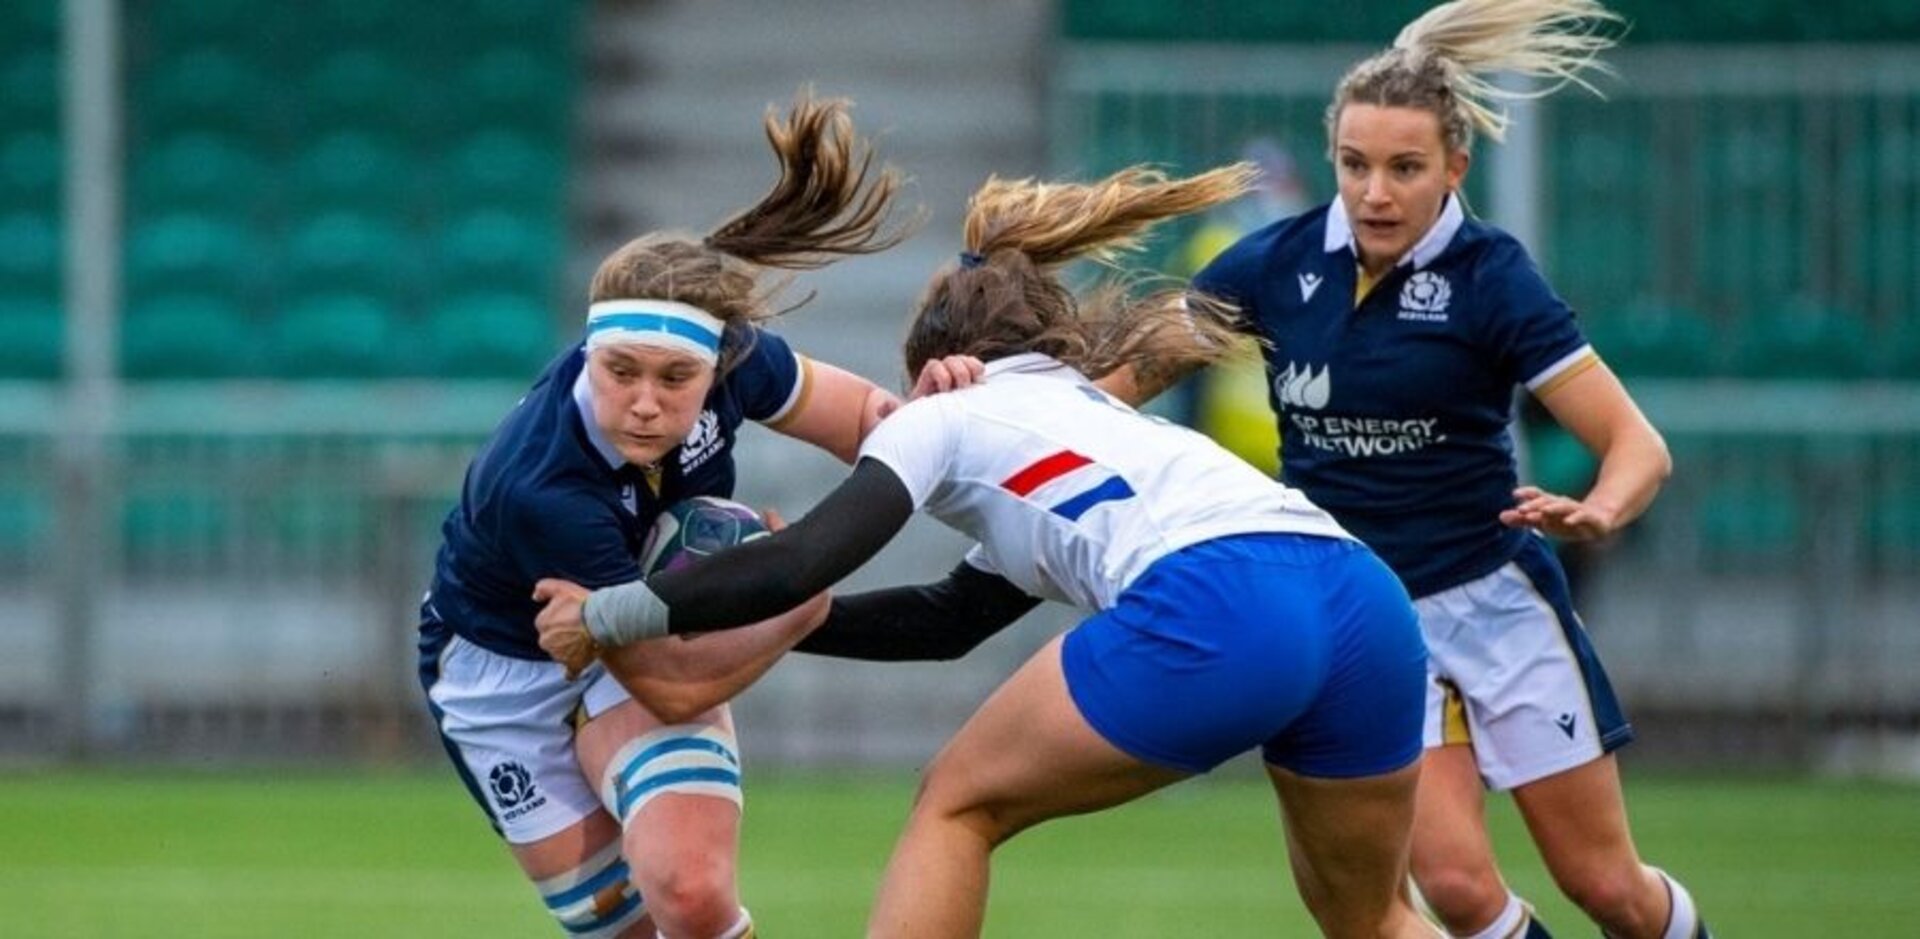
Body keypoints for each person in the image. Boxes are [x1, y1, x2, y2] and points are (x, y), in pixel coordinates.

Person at [534, 163, 1438, 939]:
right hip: (1361, 595)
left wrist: (614, 611)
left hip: (1223, 597)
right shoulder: (1089, 415)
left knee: (956, 806)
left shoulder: (946, 411)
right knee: (1374, 920)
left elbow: (804, 557)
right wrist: (781, 624)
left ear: (933, 358)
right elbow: (946, 618)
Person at [1182, 2, 1706, 937]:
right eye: (1355, 165)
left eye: (1404, 167)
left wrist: (1601, 507)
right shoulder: (1271, 265)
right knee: (1457, 890)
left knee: (1608, 886)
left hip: (1496, 600)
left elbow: (1638, 446)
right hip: (1372, 622)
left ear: (1455, 167)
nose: (1375, 192)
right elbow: (1120, 375)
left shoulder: (1492, 276)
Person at [417, 91, 977, 939]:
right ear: (591, 351)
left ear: (715, 364)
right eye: (620, 371)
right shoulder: (543, 488)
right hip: (504, 673)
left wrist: (942, 413)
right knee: (623, 927)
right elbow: (673, 686)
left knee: (690, 892)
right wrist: (800, 598)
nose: (642, 403)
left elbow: (868, 423)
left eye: (672, 380)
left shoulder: (740, 356)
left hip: (639, 626)